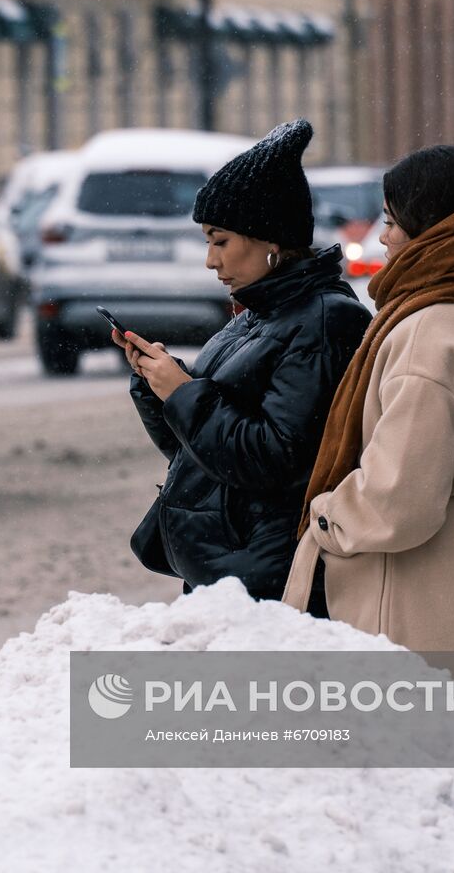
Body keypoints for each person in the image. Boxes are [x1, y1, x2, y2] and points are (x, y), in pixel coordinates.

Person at [281, 145, 454, 654]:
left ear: (429, 226)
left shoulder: (431, 327)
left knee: (432, 729)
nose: (384, 236)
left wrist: (327, 516)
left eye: (391, 220)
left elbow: (399, 499)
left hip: (432, 587)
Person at [114, 119, 371, 604]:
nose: (211, 260)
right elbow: (200, 453)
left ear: (270, 240)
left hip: (268, 577)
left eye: (220, 240)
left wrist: (184, 392)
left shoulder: (323, 320)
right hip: (229, 568)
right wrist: (157, 386)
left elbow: (276, 458)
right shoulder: (258, 314)